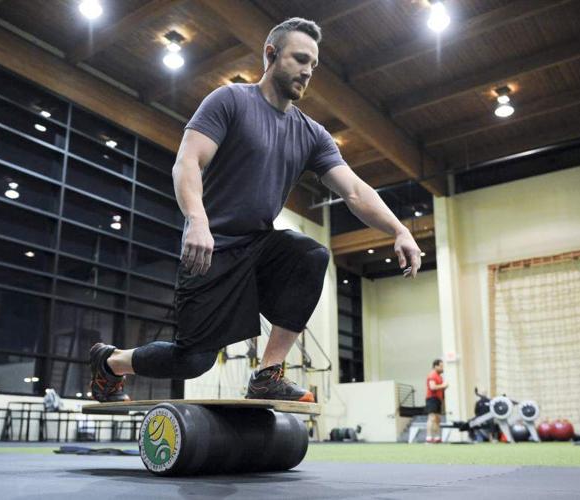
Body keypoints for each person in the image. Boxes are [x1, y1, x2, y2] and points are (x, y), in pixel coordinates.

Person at [89, 17, 423, 403]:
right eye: (299, 59)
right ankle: (110, 363)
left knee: (310, 254)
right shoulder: (229, 101)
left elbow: (354, 191)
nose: (307, 72)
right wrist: (197, 220)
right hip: (211, 248)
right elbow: (187, 163)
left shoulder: (312, 134)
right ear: (271, 54)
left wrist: (399, 230)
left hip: (258, 248)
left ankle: (267, 373)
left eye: (313, 65)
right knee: (193, 361)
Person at [425, 359, 448, 443]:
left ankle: (437, 438)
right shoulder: (432, 375)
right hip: (432, 398)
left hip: (438, 399)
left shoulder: (439, 377)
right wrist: (443, 385)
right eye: (441, 366)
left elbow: (440, 388)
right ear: (436, 366)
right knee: (432, 418)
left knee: (438, 419)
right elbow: (432, 387)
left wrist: (444, 387)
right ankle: (428, 438)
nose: (443, 368)